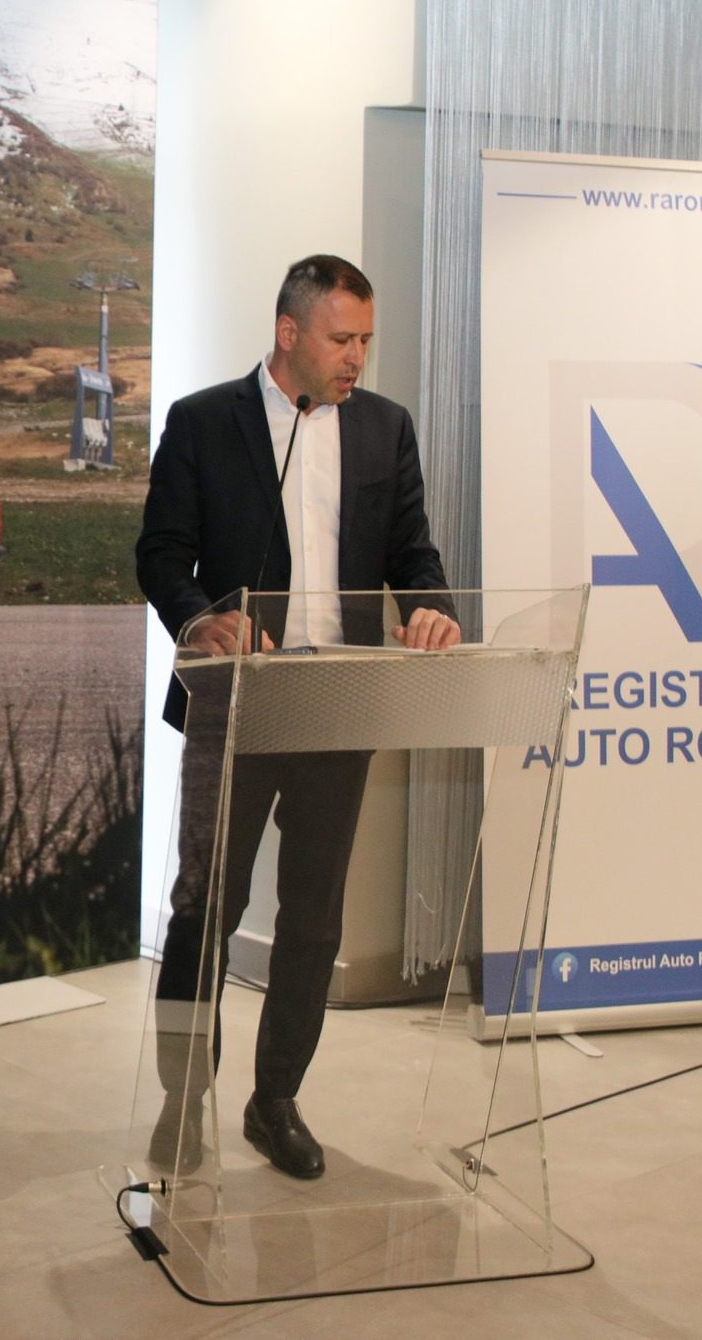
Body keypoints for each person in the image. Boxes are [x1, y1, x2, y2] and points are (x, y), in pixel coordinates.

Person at [135, 255, 457, 1180]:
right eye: (341, 338)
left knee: (313, 919)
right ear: (289, 332)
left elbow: (412, 551)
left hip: (338, 698)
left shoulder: (386, 428)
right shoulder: (204, 422)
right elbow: (161, 553)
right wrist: (200, 618)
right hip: (237, 699)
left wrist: (430, 606)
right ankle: (182, 1096)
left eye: (366, 340)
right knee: (207, 905)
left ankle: (275, 1100)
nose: (356, 356)